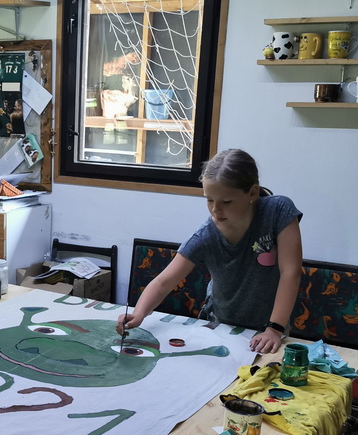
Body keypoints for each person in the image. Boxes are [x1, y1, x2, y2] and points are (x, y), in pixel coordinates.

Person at [118, 149, 302, 354]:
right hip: (221, 325)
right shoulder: (206, 236)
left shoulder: (278, 211)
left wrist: (274, 329)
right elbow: (163, 282)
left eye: (226, 202)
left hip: (271, 327)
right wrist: (139, 314)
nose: (215, 210)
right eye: (209, 200)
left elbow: (290, 272)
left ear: (252, 193)